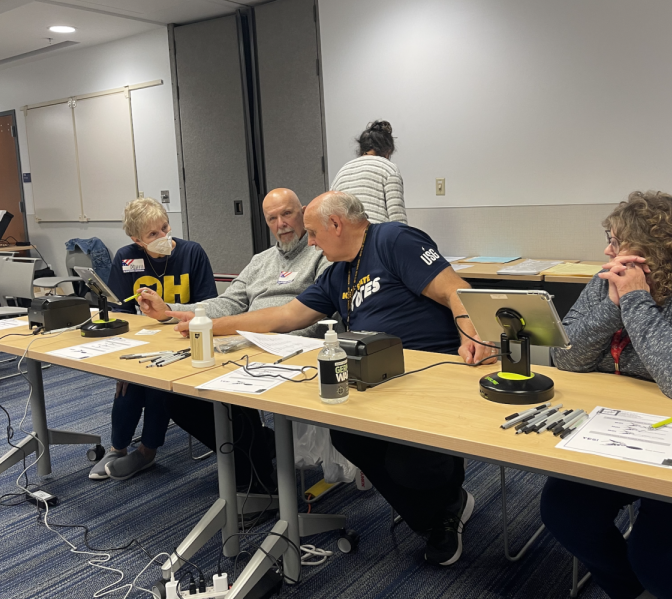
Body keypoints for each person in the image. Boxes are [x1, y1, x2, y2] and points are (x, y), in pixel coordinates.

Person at [172, 191, 493, 566]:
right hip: (377, 379)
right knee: (345, 434)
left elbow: (456, 289)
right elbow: (283, 317)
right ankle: (438, 516)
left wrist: (472, 332)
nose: (310, 242)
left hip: (428, 375)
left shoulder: (392, 240)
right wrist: (209, 325)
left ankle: (445, 501)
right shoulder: (339, 273)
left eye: (313, 233)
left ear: (336, 224)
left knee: (411, 466)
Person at [541, 190, 672, 599]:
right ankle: (631, 590)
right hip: (621, 428)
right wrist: (612, 304)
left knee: (662, 557)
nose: (607, 249)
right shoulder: (606, 280)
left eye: (617, 240)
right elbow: (564, 358)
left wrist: (636, 300)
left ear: (652, 248)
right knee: (564, 514)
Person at [135, 188, 330, 491]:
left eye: (288, 213)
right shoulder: (260, 261)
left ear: (302, 212)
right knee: (178, 399)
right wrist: (170, 311)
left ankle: (257, 486)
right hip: (244, 346)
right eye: (272, 218)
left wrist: (249, 335)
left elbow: (317, 315)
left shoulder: (322, 255)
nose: (282, 223)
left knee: (226, 393)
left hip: (294, 352)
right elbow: (227, 303)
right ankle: (257, 464)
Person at [89, 197, 217, 481]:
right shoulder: (126, 257)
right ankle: (117, 448)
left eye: (164, 228)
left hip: (185, 338)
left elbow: (209, 306)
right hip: (146, 341)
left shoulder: (191, 253)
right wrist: (121, 363)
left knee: (157, 383)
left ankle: (147, 451)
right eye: (152, 234)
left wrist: (169, 314)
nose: (163, 237)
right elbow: (121, 311)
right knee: (129, 382)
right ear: (137, 239)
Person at [330, 120, 407, 224]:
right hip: (375, 236)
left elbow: (329, 209)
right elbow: (397, 219)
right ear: (388, 151)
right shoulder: (389, 169)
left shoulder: (343, 170)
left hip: (344, 236)